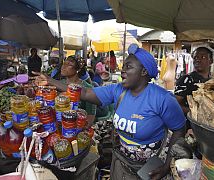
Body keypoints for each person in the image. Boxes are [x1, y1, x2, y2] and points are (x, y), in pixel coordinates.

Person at [33, 44, 186, 179]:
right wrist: (49, 80)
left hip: (148, 170)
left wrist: (166, 166)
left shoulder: (162, 99)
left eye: (129, 67)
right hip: (120, 162)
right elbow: (85, 93)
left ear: (144, 72)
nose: (123, 70)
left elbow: (179, 129)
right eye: (123, 66)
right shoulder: (118, 90)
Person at [174, 47, 213, 115]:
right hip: (190, 123)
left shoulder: (213, 81)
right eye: (195, 57)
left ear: (211, 61)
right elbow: (175, 104)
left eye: (203, 57)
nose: (198, 60)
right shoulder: (186, 79)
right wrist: (195, 113)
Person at [59, 55, 97, 125]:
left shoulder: (87, 88)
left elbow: (91, 115)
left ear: (78, 69)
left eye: (69, 65)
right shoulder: (59, 84)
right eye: (64, 63)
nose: (63, 67)